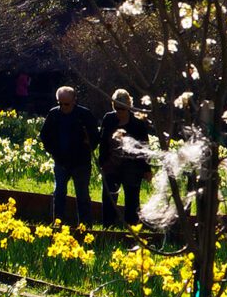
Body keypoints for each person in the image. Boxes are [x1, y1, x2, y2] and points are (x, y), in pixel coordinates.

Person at [40, 86, 99, 226]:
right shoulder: (54, 114)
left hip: (81, 163)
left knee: (82, 195)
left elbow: (96, 137)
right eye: (60, 103)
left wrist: (88, 145)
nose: (63, 107)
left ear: (74, 101)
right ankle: (58, 223)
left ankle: (85, 227)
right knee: (59, 193)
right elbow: (44, 135)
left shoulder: (84, 115)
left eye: (66, 104)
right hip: (61, 162)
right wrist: (53, 151)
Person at [99, 89, 152, 227]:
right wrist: (102, 162)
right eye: (116, 108)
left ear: (128, 106)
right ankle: (108, 228)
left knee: (132, 200)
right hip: (111, 165)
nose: (119, 111)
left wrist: (146, 169)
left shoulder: (138, 124)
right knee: (109, 198)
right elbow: (103, 142)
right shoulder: (108, 119)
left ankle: (132, 228)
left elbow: (144, 148)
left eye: (122, 108)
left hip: (132, 167)